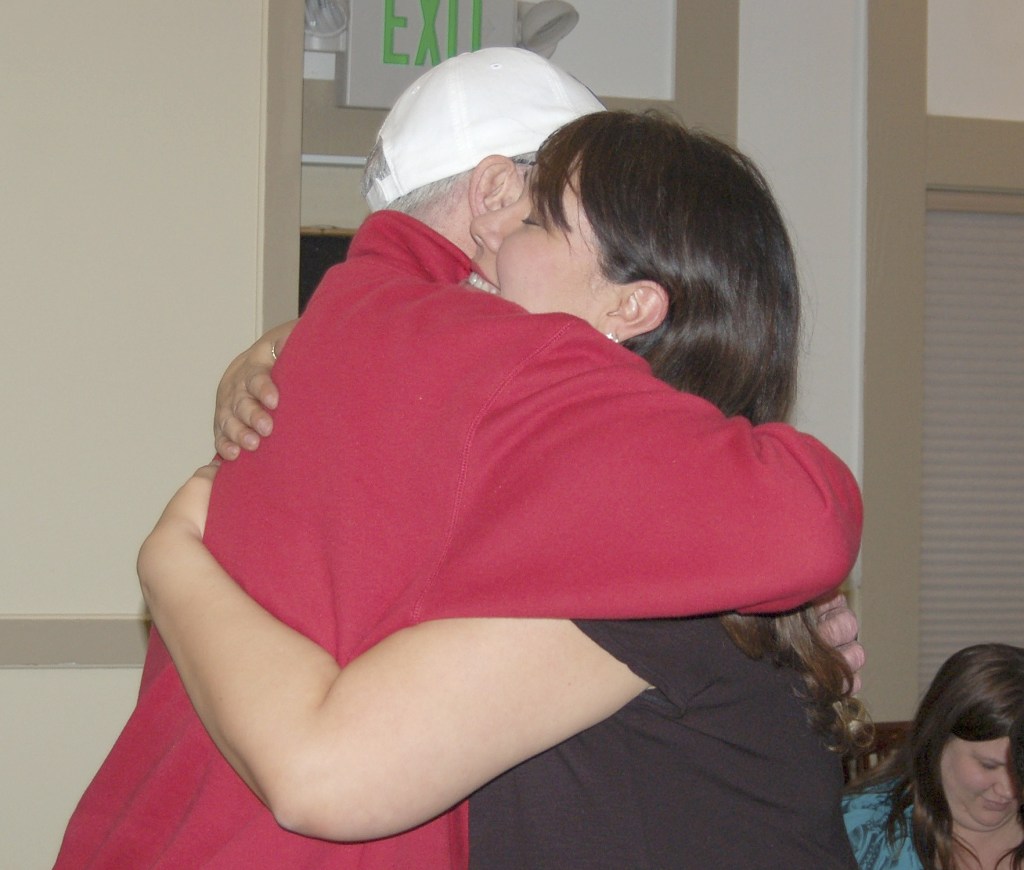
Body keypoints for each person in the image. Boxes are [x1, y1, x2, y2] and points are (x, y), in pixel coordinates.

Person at [57, 50, 862, 868]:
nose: (498, 242)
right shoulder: (510, 438)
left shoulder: (622, 510)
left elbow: (324, 771)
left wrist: (170, 557)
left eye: (537, 220)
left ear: (632, 304)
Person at [843, 644, 1024, 870]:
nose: (1008, 790)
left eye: (1021, 766)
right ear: (937, 741)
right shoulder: (859, 832)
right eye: (988, 765)